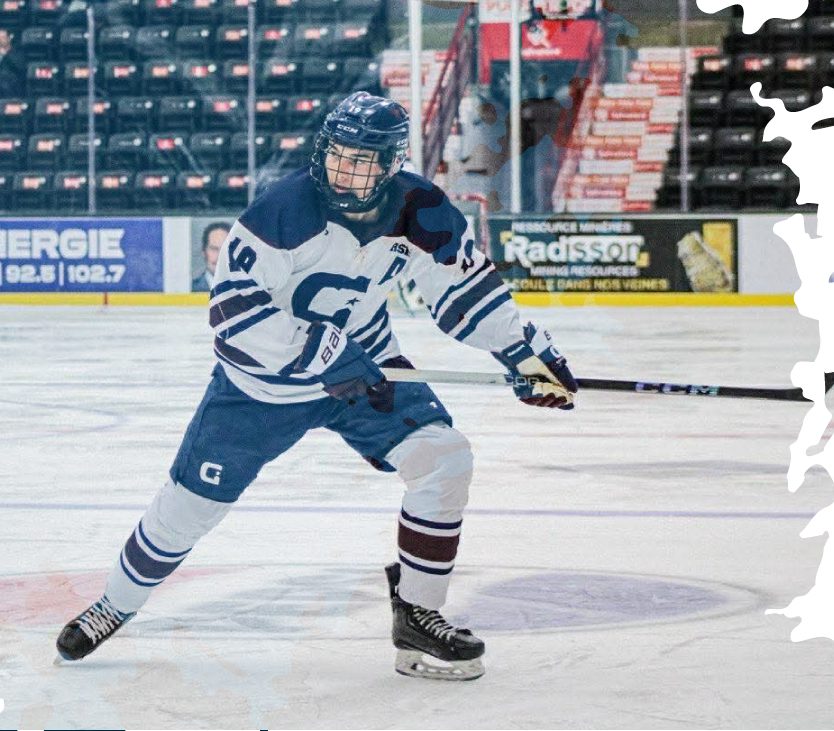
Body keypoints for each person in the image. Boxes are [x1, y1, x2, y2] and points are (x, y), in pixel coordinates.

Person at [55, 92, 578, 681]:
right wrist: (324, 353)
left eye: (362, 160)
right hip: (261, 389)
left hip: (367, 370)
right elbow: (234, 316)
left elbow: (466, 293)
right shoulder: (281, 212)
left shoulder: (421, 209)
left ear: (392, 163)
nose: (344, 170)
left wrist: (527, 354)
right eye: (338, 155)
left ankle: (419, 617)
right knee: (188, 510)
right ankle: (114, 604)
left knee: (443, 459)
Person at [191, 221, 229, 292]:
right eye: (214, 249)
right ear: (204, 252)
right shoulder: (189, 289)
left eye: (224, 249)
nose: (219, 256)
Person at [0, 29, 24, 97]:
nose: (0, 40)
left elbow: (19, 68)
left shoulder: (17, 52)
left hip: (11, 83)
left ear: (9, 38)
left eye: (2, 37)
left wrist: (5, 55)